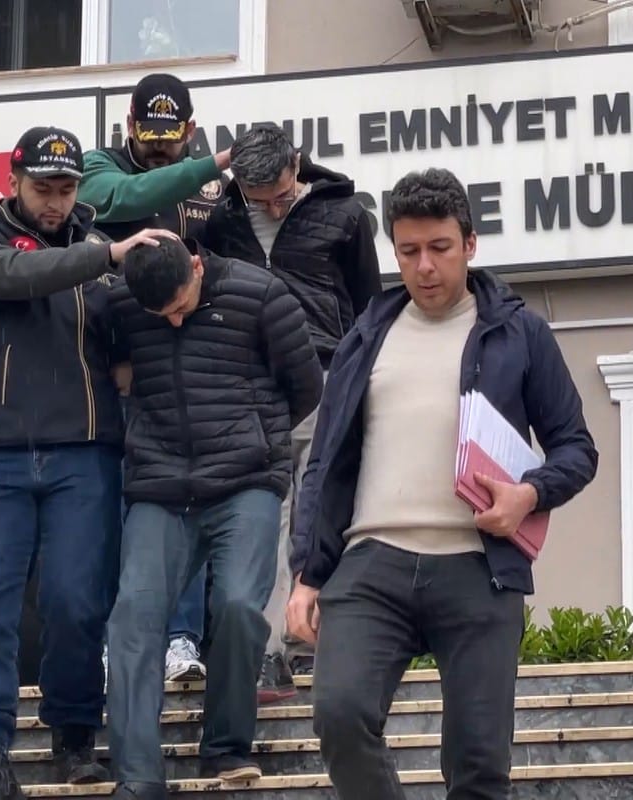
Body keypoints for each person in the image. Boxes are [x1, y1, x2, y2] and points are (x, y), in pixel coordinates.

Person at [285, 168, 598, 800]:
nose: (424, 266)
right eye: (408, 251)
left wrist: (528, 495)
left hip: (479, 567)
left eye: (439, 248)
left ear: (470, 244)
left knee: (479, 762)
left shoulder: (519, 332)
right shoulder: (365, 336)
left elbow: (576, 449)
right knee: (339, 714)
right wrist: (307, 572)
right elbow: (324, 463)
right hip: (371, 562)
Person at [0, 125, 178, 799]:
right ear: (13, 182)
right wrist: (104, 255)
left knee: (77, 602)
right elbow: (20, 276)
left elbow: (131, 356)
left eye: (66, 188)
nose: (54, 201)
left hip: (86, 455)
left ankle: (74, 733)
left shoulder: (103, 263)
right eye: (42, 187)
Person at [103, 237, 324, 799]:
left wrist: (257, 435)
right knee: (133, 617)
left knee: (238, 606)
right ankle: (137, 777)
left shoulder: (262, 294)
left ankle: (225, 746)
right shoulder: (125, 303)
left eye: (181, 305)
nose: (174, 321)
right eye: (162, 315)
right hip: (159, 485)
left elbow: (306, 387)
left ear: (197, 265)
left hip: (245, 480)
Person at [201, 123, 382, 701]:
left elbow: (369, 307)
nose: (275, 208)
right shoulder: (221, 223)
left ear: (296, 165)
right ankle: (268, 651)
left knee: (327, 509)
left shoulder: (345, 214)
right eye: (262, 202)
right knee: (265, 518)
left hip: (327, 377)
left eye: (281, 195)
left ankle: (327, 642)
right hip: (252, 385)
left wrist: (365, 379)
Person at [79, 72, 234, 682]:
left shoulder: (213, 191)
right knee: (118, 510)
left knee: (187, 505)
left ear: (190, 129)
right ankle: (119, 640)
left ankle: (180, 640)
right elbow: (126, 198)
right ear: (129, 125)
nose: (160, 149)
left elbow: (230, 264)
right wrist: (207, 164)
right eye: (149, 137)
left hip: (187, 368)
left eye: (172, 139)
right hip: (110, 372)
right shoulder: (99, 165)